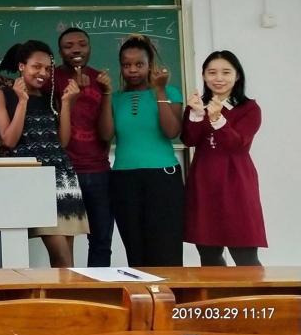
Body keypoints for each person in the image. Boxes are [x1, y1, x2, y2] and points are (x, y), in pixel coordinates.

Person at [0, 40, 88, 267]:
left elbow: (62, 141)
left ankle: (67, 291)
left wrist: (67, 103)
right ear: (21, 66)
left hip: (62, 177)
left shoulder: (50, 97)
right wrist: (22, 101)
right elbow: (9, 140)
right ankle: (61, 292)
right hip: (34, 180)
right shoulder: (2, 95)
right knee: (61, 255)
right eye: (36, 66)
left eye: (47, 68)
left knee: (68, 258)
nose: (43, 73)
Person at [99, 34, 184, 267]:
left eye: (139, 64)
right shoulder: (115, 98)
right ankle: (141, 291)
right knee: (135, 250)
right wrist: (106, 95)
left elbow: (172, 131)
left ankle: (170, 291)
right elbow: (105, 135)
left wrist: (160, 91)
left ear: (149, 65)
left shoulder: (170, 92)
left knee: (166, 247)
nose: (133, 70)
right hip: (124, 178)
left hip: (163, 177)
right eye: (126, 65)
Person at [181, 51, 265, 266]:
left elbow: (238, 145)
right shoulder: (197, 105)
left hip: (236, 182)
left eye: (226, 72)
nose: (219, 78)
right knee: (209, 255)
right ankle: (216, 291)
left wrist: (217, 118)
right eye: (212, 72)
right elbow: (189, 139)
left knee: (246, 257)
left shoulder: (249, 108)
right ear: (204, 75)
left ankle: (256, 291)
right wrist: (197, 114)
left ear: (237, 76)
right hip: (204, 182)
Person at [52, 28, 115, 267]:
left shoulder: (101, 80)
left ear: (90, 48)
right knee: (63, 244)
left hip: (99, 171)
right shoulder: (50, 80)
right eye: (68, 46)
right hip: (64, 171)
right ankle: (68, 289)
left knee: (101, 241)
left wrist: (106, 93)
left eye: (82, 44)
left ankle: (97, 288)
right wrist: (72, 98)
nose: (76, 50)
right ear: (60, 52)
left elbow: (107, 134)